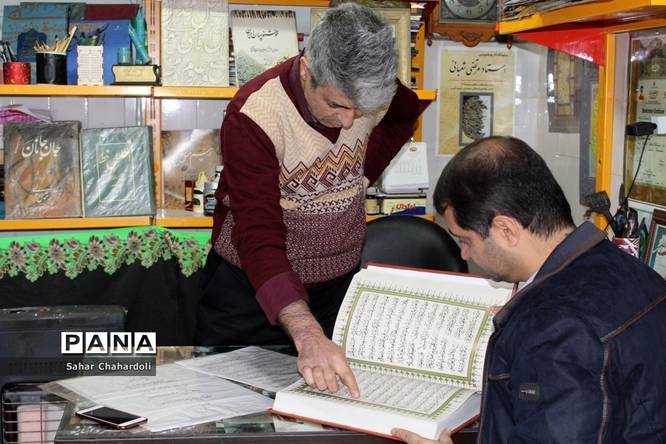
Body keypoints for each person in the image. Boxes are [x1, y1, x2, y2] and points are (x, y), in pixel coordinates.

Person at [196, 2, 423, 397]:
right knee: (232, 410)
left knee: (330, 410)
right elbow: (259, 234)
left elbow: (404, 115)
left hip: (336, 289)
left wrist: (359, 174)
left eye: (361, 110)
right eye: (336, 105)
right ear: (306, 70)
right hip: (250, 296)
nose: (348, 121)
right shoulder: (253, 115)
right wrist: (306, 333)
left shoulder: (374, 90)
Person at [392, 136, 666, 443]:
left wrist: (531, 328)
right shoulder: (630, 270)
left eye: (465, 240)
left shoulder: (553, 329)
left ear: (506, 230)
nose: (465, 254)